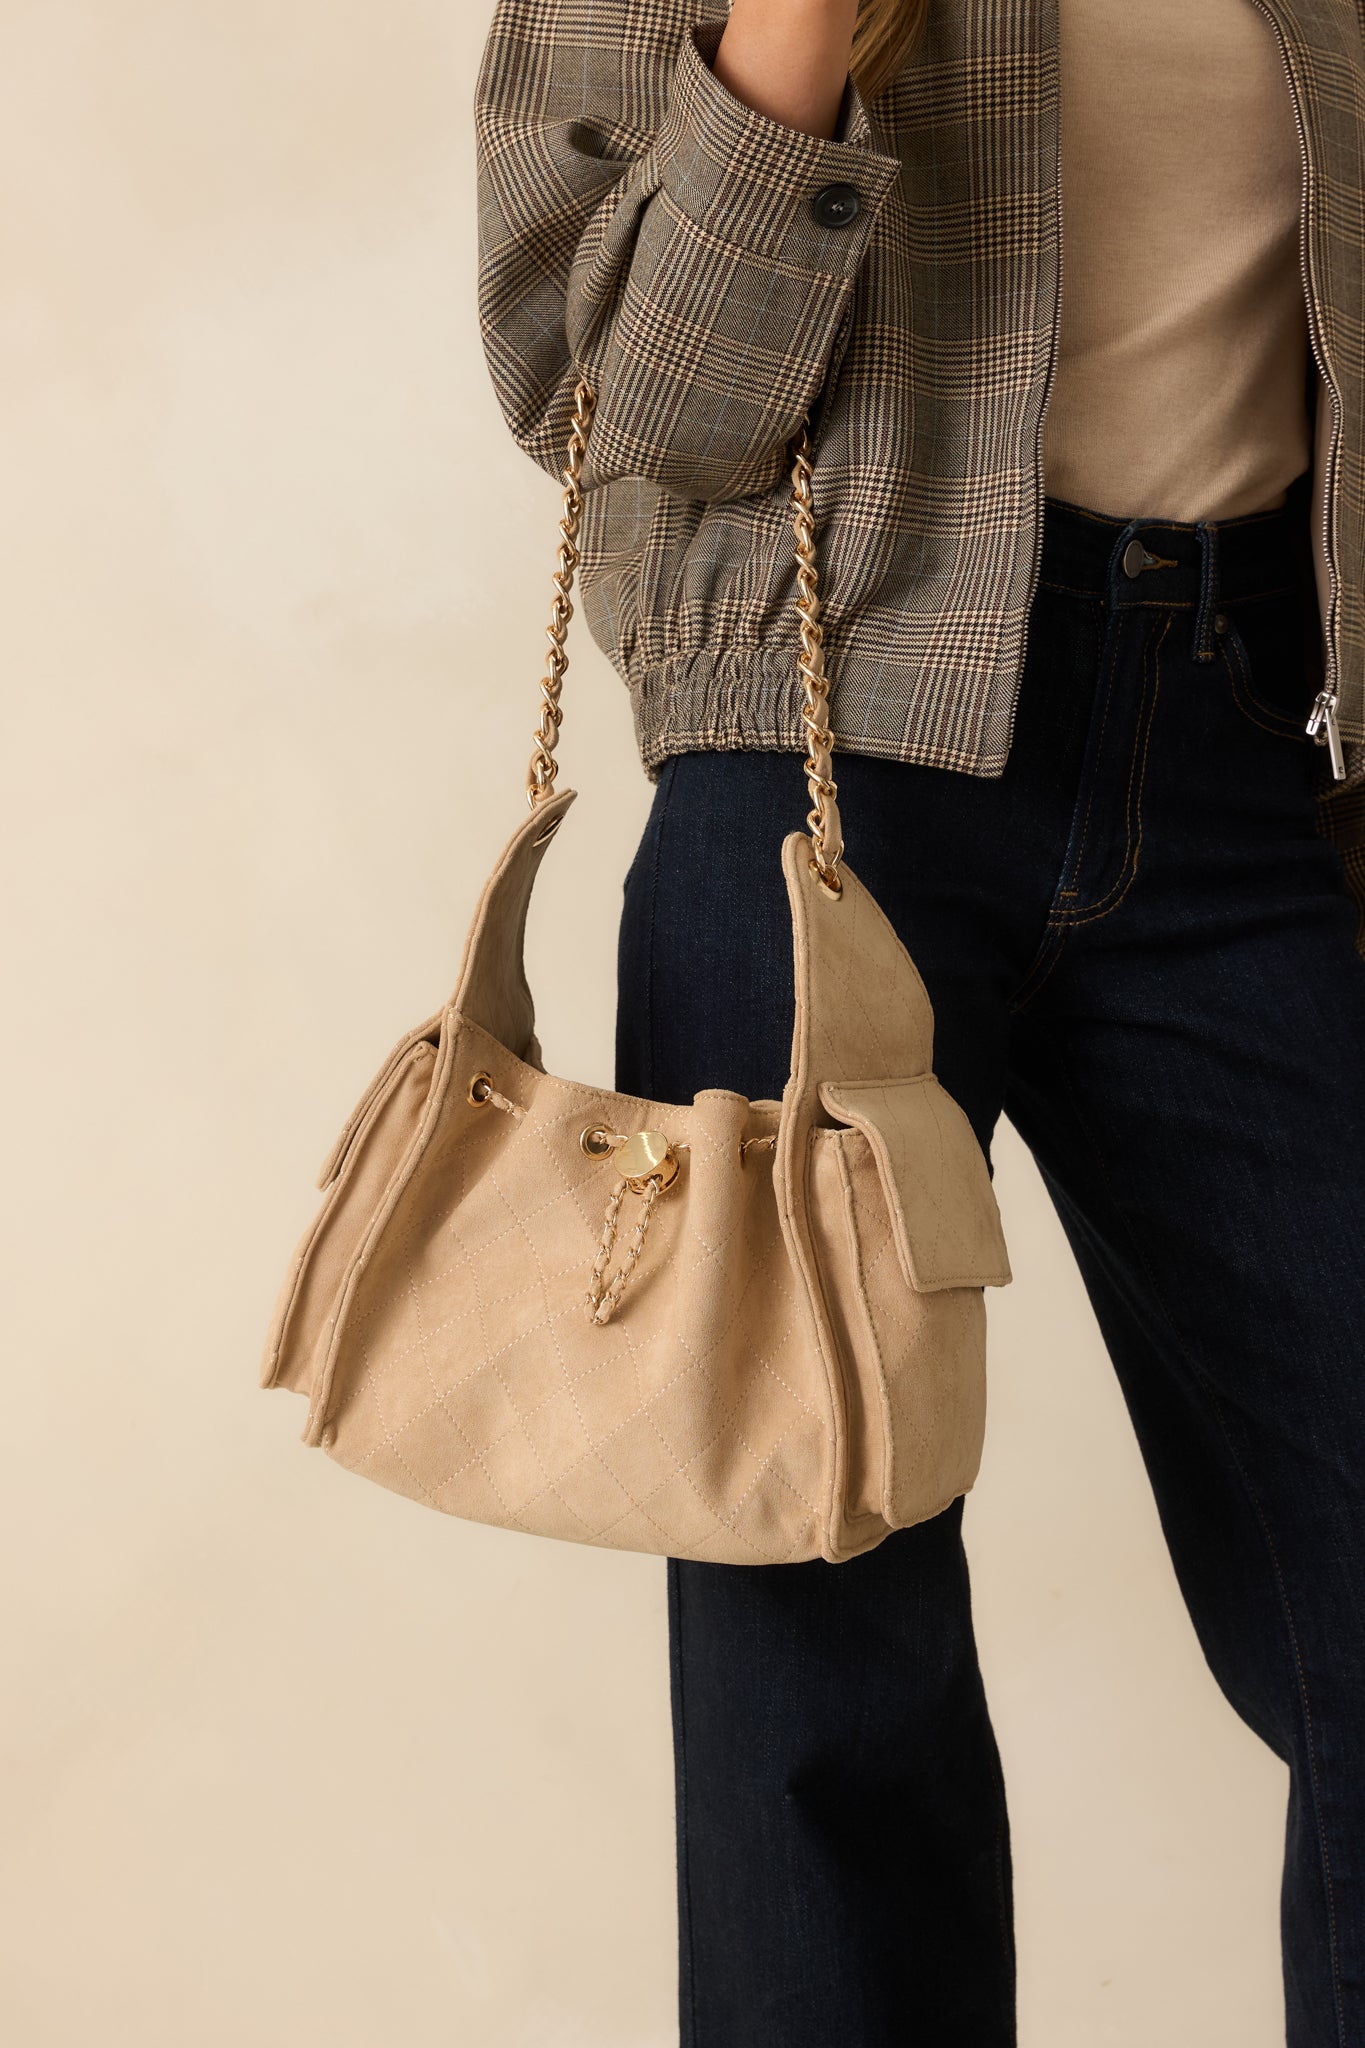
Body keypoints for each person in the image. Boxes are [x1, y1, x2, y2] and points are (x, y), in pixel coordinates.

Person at [474, 2, 1365, 2041]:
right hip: (816, 761)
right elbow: (619, 399)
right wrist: (783, 55)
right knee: (819, 1684)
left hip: (1243, 749)